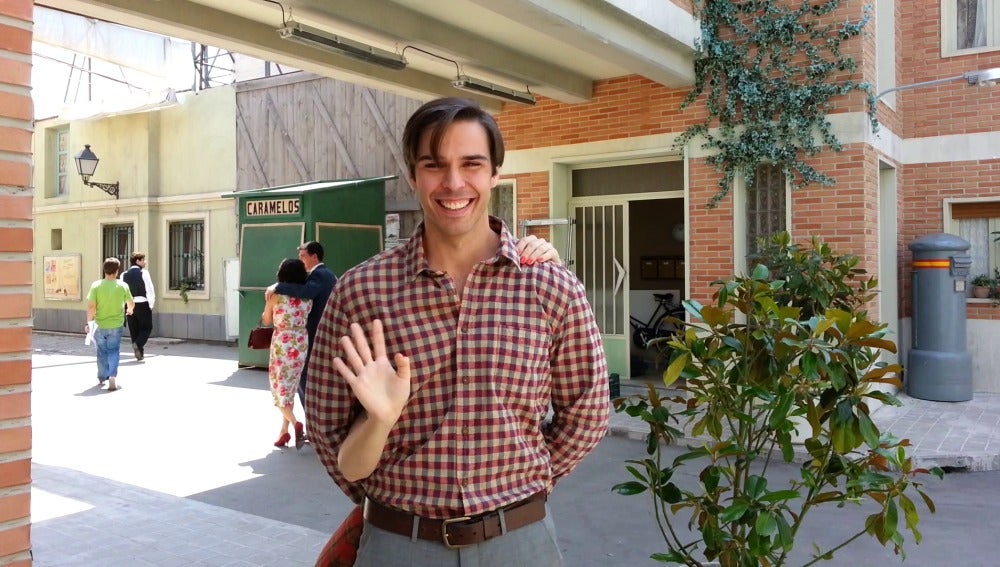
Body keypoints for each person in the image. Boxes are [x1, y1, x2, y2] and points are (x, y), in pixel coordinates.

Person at [307, 97, 609, 566]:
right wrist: (387, 490)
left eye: (471, 163)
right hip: (398, 545)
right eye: (434, 164)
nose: (453, 182)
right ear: (413, 175)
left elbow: (588, 409)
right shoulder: (361, 291)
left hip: (519, 543)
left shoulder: (549, 286)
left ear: (494, 174)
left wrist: (527, 481)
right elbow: (327, 428)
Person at [265, 241, 336, 409]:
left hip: (315, 332)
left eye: (303, 256)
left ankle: (308, 415)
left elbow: (306, 292)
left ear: (314, 256)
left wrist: (278, 286)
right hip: (320, 331)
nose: (301, 260)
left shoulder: (320, 275)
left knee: (304, 375)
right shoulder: (327, 274)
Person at [262, 258, 313, 449]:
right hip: (300, 343)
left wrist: (267, 312)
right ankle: (284, 432)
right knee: (289, 388)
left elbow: (266, 320)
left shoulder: (275, 295)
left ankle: (295, 423)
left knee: (278, 389)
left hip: (282, 343)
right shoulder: (307, 297)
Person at [86, 257, 135, 392]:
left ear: (104, 270)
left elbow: (91, 307)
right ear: (117, 271)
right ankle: (112, 376)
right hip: (116, 325)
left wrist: (89, 323)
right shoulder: (122, 286)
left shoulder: (96, 286)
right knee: (113, 350)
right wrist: (130, 310)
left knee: (101, 351)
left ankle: (102, 377)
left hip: (99, 325)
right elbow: (130, 303)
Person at [121, 252, 155, 361]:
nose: (145, 262)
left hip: (129, 305)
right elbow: (149, 289)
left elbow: (122, 291)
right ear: (137, 261)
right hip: (142, 303)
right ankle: (138, 344)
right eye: (143, 260)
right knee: (146, 327)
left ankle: (139, 351)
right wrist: (151, 304)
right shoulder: (144, 273)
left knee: (134, 329)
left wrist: (123, 306)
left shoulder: (123, 274)